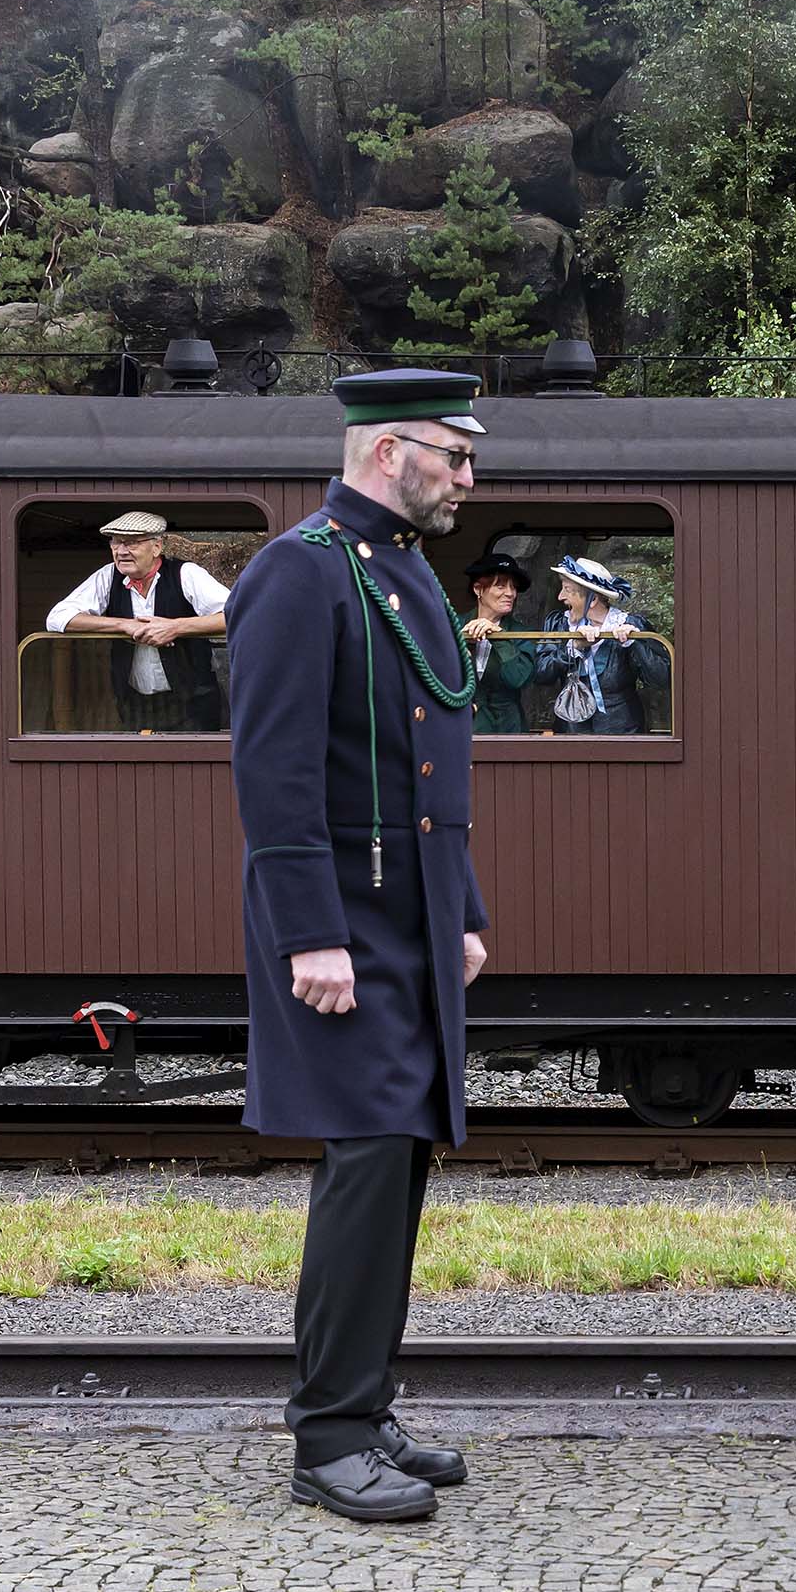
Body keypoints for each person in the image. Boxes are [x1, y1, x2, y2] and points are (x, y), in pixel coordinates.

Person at [228, 367, 492, 1525]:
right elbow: (274, 770)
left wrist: (465, 906)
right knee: (368, 1161)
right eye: (456, 454)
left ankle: (364, 1401)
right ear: (392, 451)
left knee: (400, 1160)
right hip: (343, 921)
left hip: (409, 916)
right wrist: (311, 935)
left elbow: (435, 764)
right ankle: (328, 1435)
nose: (469, 478)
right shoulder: (299, 572)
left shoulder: (402, 571)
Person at [42, 511, 230, 732]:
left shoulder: (186, 574)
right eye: (116, 542)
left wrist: (176, 627)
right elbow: (56, 618)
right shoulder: (108, 576)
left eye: (131, 543)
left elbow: (236, 615)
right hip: (134, 704)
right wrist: (123, 625)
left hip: (194, 704)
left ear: (157, 547)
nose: (121, 551)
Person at [533, 554, 669, 735]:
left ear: (593, 599)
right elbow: (541, 674)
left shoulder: (629, 624)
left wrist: (634, 644)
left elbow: (661, 679)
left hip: (622, 729)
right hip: (571, 729)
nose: (560, 597)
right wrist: (573, 648)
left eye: (567, 589)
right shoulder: (559, 623)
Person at [458, 551, 539, 736]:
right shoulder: (455, 624)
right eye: (500, 586)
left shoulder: (522, 633)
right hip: (462, 727)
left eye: (513, 587)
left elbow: (518, 679)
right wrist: (461, 642)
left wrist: (499, 637)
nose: (510, 593)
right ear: (478, 589)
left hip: (508, 730)